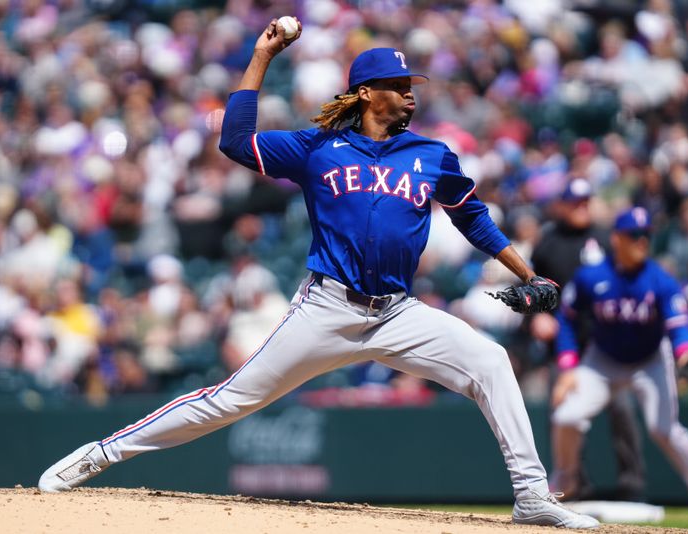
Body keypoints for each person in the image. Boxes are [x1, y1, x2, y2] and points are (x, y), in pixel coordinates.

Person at [38, 19, 598, 529]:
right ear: (364, 93)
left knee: (491, 362)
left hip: (398, 313)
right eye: (397, 83)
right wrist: (262, 56)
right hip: (327, 307)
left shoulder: (432, 155)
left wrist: (529, 273)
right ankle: (102, 453)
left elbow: (472, 215)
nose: (409, 92)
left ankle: (531, 496)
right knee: (230, 400)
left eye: (411, 84)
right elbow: (234, 141)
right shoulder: (318, 147)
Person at [550, 207, 688, 523]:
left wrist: (686, 353)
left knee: (664, 428)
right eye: (635, 235)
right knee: (567, 415)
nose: (642, 241)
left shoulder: (660, 279)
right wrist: (568, 366)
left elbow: (679, 326)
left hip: (649, 360)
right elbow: (566, 318)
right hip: (602, 360)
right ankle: (565, 478)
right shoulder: (592, 275)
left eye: (646, 235)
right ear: (616, 238)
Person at [531, 178, 646, 502]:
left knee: (622, 411)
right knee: (564, 415)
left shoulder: (604, 240)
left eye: (586, 201)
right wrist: (536, 316)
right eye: (576, 202)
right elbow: (532, 287)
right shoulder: (548, 243)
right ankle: (574, 484)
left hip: (605, 346)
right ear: (564, 204)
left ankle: (632, 484)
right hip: (565, 348)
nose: (582, 207)